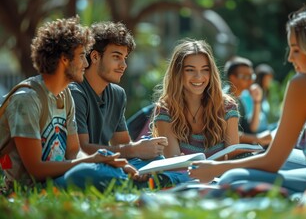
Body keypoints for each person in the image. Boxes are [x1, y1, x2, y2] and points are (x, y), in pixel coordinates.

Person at [189, 5, 306, 195]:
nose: (289, 58)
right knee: (277, 159)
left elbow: (272, 161)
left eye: (296, 50)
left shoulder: (304, 83)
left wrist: (214, 168)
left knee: (232, 177)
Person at [0, 16, 141, 191]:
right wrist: (91, 161)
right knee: (94, 174)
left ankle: (131, 183)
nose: (86, 62)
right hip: (31, 188)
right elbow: (36, 170)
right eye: (82, 56)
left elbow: (74, 152)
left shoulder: (65, 95)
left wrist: (102, 160)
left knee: (106, 170)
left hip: (62, 177)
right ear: (65, 59)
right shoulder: (27, 99)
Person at [69, 21, 185, 186]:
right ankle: (157, 181)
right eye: (116, 57)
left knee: (159, 162)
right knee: (94, 173)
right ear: (95, 56)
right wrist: (134, 149)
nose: (123, 65)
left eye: (125, 58)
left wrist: (149, 151)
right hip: (86, 168)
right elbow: (81, 149)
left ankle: (162, 176)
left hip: (111, 165)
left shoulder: (117, 94)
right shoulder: (75, 92)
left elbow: (123, 145)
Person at [151, 39, 241, 159]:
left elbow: (233, 159)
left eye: (205, 69)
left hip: (222, 177)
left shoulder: (227, 107)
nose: (198, 77)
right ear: (178, 73)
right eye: (190, 70)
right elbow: (173, 163)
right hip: (182, 177)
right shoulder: (165, 109)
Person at [223, 56, 272, 147]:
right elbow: (228, 134)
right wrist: (258, 139)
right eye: (245, 76)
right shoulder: (225, 100)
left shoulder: (239, 100)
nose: (250, 80)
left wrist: (257, 101)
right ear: (233, 78)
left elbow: (251, 128)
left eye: (251, 76)